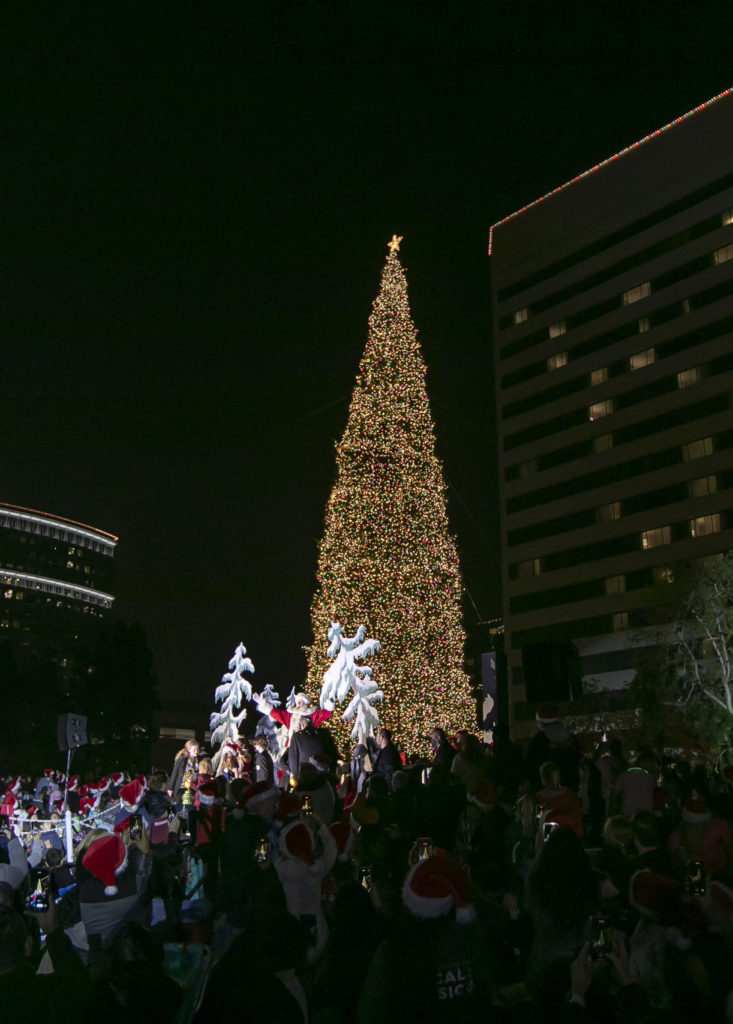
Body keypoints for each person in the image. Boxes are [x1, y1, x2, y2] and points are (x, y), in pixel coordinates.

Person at [166, 739, 200, 810]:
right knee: (178, 808)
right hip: (180, 788)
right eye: (194, 750)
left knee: (189, 809)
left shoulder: (197, 763)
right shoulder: (182, 760)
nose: (196, 752)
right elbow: (174, 774)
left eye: (197, 749)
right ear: (188, 749)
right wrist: (170, 789)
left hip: (190, 789)